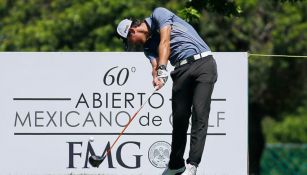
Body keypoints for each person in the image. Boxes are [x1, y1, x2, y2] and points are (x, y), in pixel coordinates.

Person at [116, 7, 217, 175]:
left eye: (130, 39)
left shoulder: (158, 15)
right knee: (179, 120)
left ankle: (192, 164)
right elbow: (155, 67)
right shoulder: (147, 48)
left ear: (133, 30)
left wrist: (163, 67)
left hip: (203, 64)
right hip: (181, 71)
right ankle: (176, 164)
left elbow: (165, 41)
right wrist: (157, 77)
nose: (133, 43)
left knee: (200, 114)